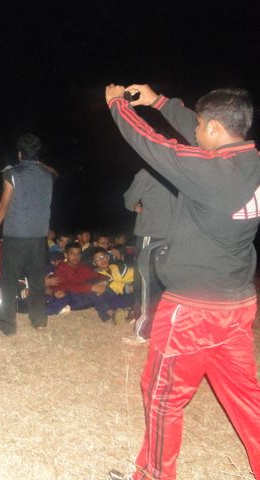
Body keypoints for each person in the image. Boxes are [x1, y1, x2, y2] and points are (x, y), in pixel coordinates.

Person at [105, 84, 260, 480]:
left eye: (200, 125)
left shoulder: (211, 173)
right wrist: (159, 101)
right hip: (236, 303)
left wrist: (117, 105)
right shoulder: (251, 163)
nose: (195, 131)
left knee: (162, 396)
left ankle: (154, 475)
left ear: (215, 128)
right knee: (247, 399)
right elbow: (198, 132)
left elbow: (153, 144)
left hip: (193, 310)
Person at [0, 133, 53, 335]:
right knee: (36, 281)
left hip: (15, 236)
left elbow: (3, 205)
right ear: (38, 154)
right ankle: (39, 321)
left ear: (19, 154)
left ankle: (7, 325)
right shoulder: (48, 175)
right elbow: (52, 171)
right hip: (38, 238)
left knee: (9, 280)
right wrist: (37, 162)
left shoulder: (12, 174)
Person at [123, 168, 176, 341]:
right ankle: (165, 326)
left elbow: (129, 200)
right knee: (166, 283)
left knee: (146, 283)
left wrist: (135, 206)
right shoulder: (180, 168)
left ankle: (144, 331)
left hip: (152, 234)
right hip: (176, 236)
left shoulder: (148, 172)